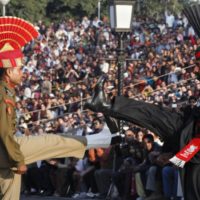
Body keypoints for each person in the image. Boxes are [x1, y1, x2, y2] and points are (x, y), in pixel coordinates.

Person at [0, 17, 119, 200]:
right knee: (54, 141)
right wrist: (17, 159)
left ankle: (96, 140)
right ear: (8, 72)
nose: (23, 73)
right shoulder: (3, 94)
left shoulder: (6, 91)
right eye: (19, 69)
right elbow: (4, 132)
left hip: (4, 157)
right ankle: (96, 140)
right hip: (7, 152)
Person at [84, 75, 200, 200]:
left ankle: (105, 105)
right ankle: (105, 104)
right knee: (156, 114)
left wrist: (180, 157)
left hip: (195, 149)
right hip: (189, 130)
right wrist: (171, 153)